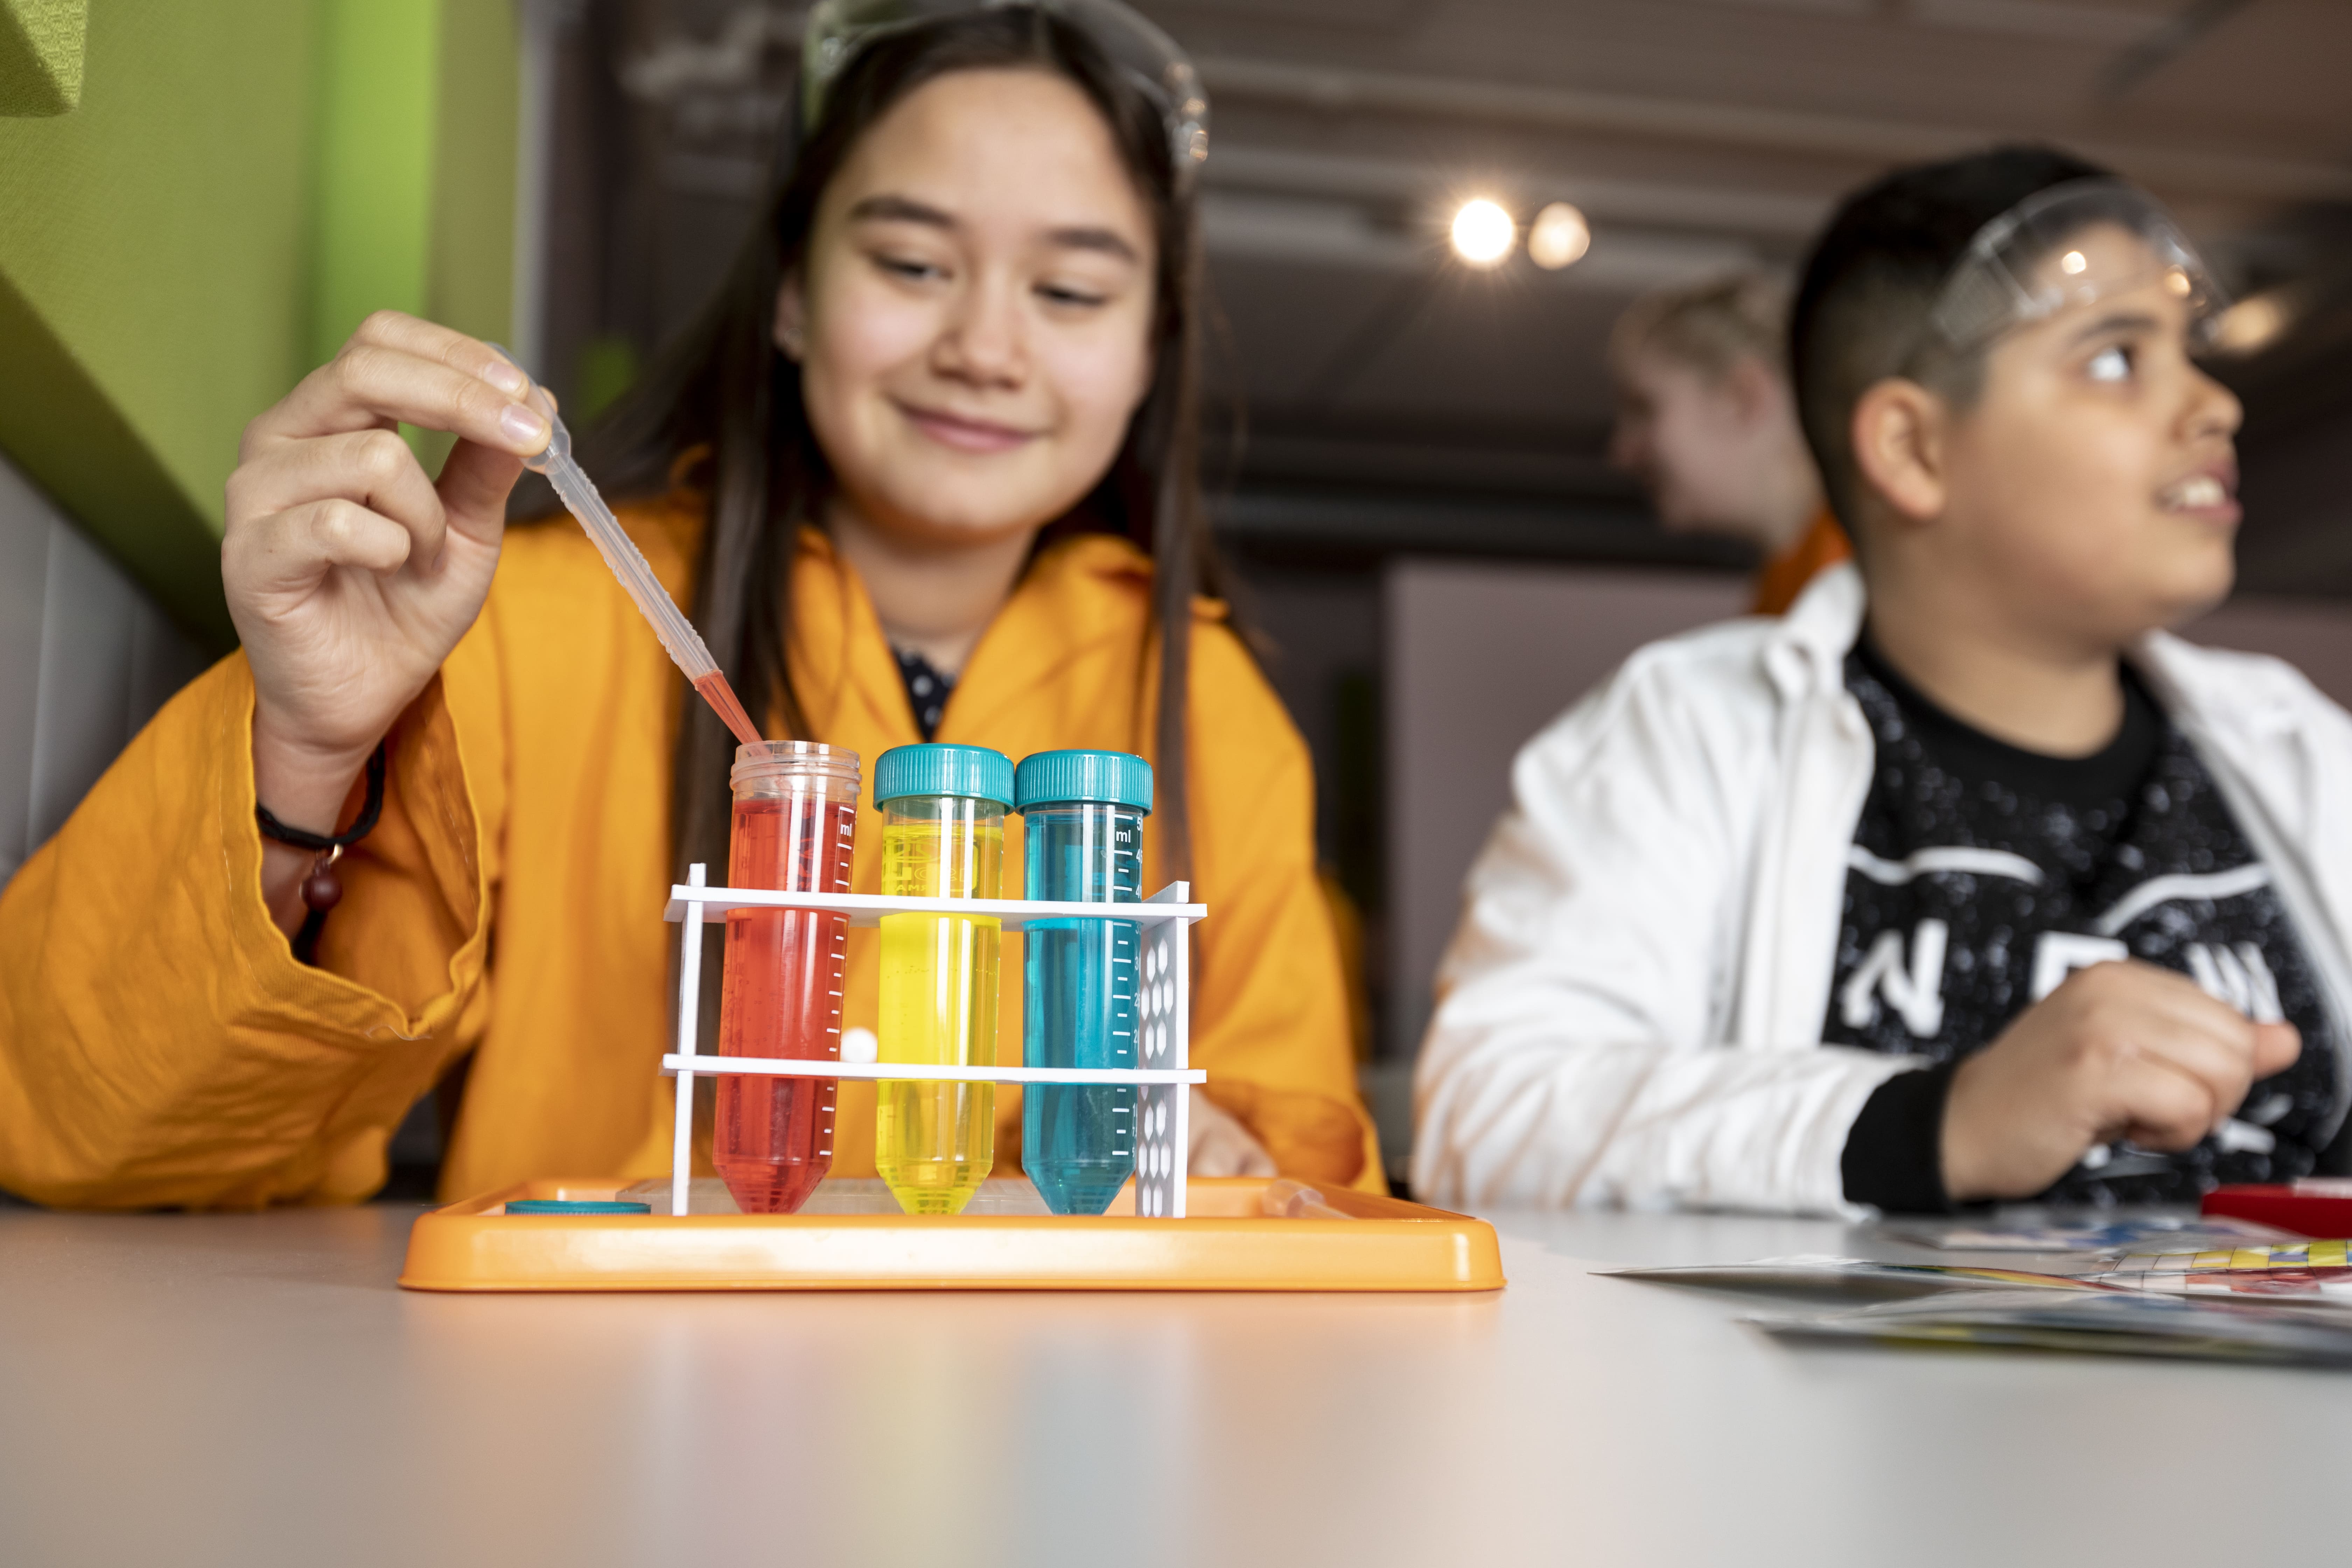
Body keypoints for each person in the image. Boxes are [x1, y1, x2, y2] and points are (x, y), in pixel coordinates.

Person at [0, 1, 1380, 1208]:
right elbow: (82, 1133)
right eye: (910, 264)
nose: (983, 347)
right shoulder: (535, 631)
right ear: (789, 297)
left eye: (1072, 289)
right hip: (605, 1439)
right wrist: (303, 752)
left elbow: (1303, 1190)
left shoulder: (1217, 720)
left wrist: (1223, 1155)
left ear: (1149, 355)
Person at [1416, 146, 2352, 1215]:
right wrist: (1937, 1119)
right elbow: (1488, 1116)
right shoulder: (1685, 728)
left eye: (2187, 350)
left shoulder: (2300, 746)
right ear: (1910, 448)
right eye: (2111, 357)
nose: (2213, 405)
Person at [1609, 271, 1850, 615]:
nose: (1621, 452)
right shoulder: (1786, 588)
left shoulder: (1866, 568)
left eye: (1645, 409)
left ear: (1742, 397)